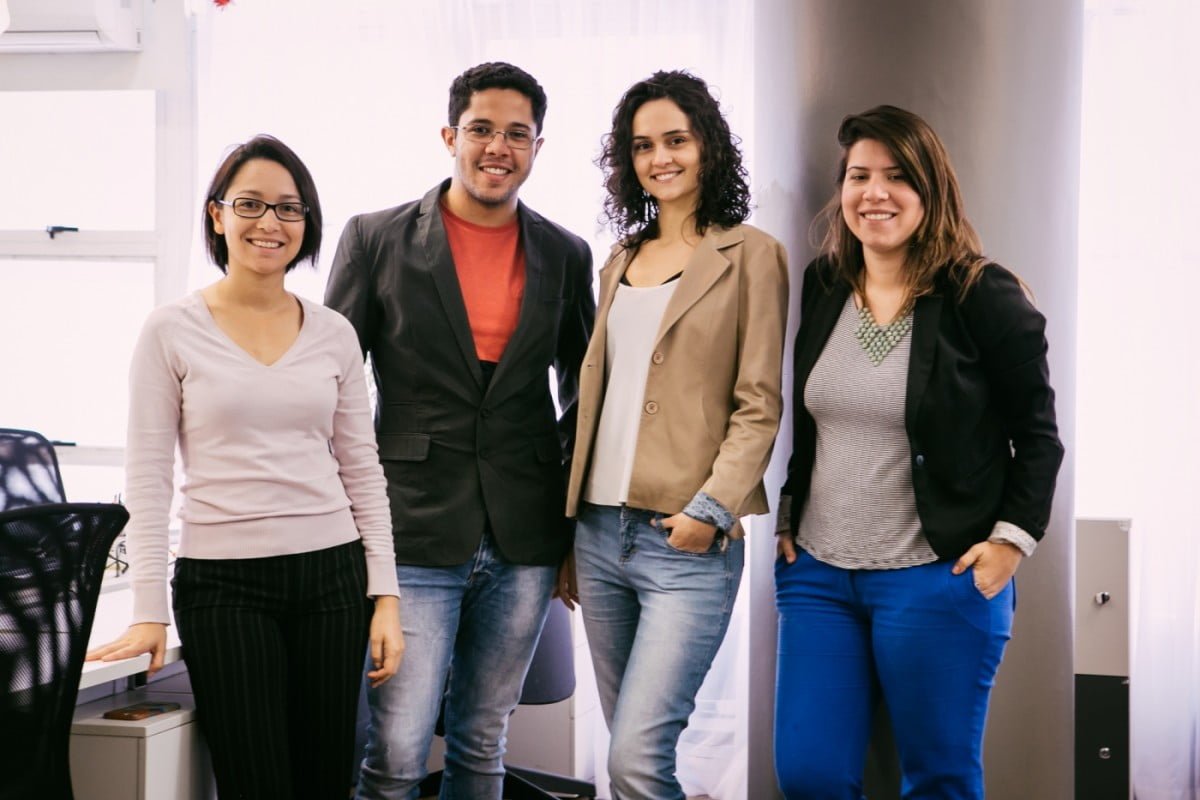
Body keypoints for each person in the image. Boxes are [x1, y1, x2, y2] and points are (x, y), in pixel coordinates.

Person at [86, 134, 403, 800]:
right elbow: (148, 478)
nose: (270, 223)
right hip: (223, 585)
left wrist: (386, 596)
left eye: (289, 209)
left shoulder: (334, 333)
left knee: (325, 780)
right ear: (217, 215)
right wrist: (150, 609)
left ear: (307, 223)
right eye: (251, 204)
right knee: (253, 780)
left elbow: (362, 472)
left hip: (331, 577)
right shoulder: (171, 329)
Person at [773, 105, 1064, 799]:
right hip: (819, 578)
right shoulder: (823, 285)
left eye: (898, 177)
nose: (875, 193)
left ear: (932, 190)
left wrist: (1011, 542)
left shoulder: (980, 293)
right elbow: (812, 422)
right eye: (859, 176)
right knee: (809, 775)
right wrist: (788, 512)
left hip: (935, 576)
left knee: (938, 780)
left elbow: (1039, 433)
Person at [324, 62, 595, 800]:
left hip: (524, 536)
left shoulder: (566, 254)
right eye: (481, 129)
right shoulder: (375, 238)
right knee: (399, 749)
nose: (497, 147)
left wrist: (568, 522)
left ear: (539, 145)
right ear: (451, 135)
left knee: (482, 740)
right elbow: (334, 387)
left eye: (517, 133)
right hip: (410, 527)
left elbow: (585, 390)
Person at [564, 70, 788, 800]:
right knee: (626, 761)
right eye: (641, 146)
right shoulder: (618, 263)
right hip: (596, 539)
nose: (660, 158)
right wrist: (567, 532)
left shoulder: (750, 254)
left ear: (708, 148)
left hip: (684, 541)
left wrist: (711, 509)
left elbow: (759, 402)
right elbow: (592, 402)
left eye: (676, 140)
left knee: (634, 760)